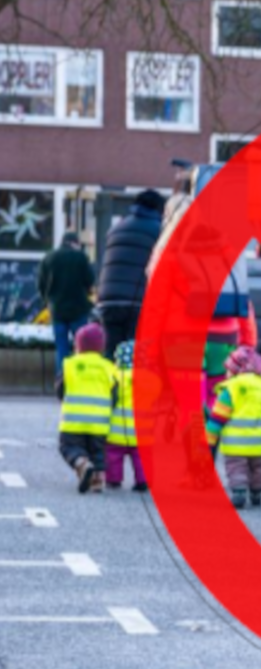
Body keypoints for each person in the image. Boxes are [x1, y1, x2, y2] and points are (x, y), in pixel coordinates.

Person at [206, 346, 261, 509]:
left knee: (236, 468)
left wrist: (209, 439)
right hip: (258, 444)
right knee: (257, 468)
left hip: (235, 444)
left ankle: (239, 492)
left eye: (228, 369)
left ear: (235, 370)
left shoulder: (230, 389)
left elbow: (217, 417)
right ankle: (256, 493)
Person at [97, 189, 165, 355]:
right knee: (135, 355)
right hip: (137, 301)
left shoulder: (116, 228)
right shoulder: (159, 230)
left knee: (112, 353)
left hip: (108, 300)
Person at [56, 323, 117, 494]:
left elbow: (60, 388)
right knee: (97, 450)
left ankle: (82, 463)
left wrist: (64, 400)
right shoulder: (109, 367)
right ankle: (98, 479)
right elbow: (115, 394)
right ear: (102, 347)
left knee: (68, 446)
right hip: (100, 422)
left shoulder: (70, 364)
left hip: (73, 421)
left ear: (78, 345)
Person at [38, 231, 95, 376]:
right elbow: (90, 281)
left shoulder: (49, 257)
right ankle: (81, 377)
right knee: (82, 347)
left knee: (61, 348)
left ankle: (62, 380)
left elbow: (41, 285)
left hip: (57, 310)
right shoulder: (81, 257)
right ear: (74, 243)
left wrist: (47, 301)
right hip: (79, 310)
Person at [106, 340, 149, 492]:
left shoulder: (114, 376)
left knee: (113, 456)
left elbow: (110, 399)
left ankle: (114, 479)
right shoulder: (150, 377)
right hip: (143, 432)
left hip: (116, 431)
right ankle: (143, 481)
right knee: (141, 457)